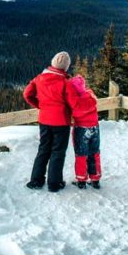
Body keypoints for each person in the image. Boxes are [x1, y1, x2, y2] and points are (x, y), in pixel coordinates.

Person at [23, 51, 81, 192]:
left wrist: (40, 105)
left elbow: (27, 94)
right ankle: (54, 184)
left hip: (44, 120)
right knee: (58, 152)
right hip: (61, 122)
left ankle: (36, 181)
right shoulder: (65, 83)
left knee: (43, 149)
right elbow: (75, 104)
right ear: (66, 67)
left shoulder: (39, 78)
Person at [68, 75, 102, 189]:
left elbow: (71, 112)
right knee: (94, 153)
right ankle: (95, 179)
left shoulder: (75, 101)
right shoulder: (91, 96)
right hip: (94, 128)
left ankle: (81, 180)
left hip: (81, 129)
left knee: (81, 154)